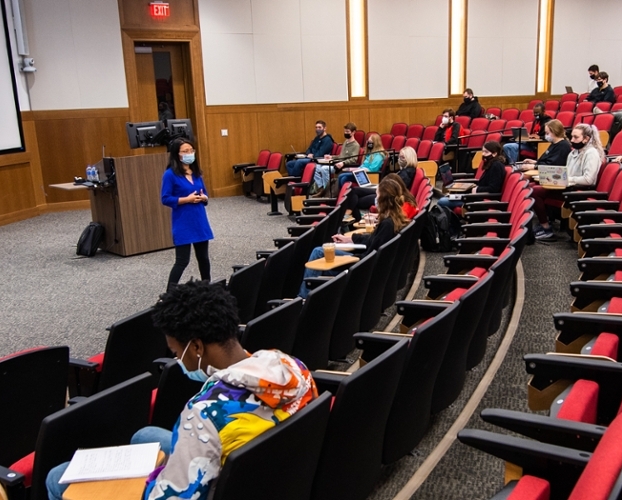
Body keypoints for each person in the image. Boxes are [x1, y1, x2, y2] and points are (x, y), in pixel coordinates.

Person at [44, 281, 318, 500]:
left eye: (176, 351)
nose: (178, 360)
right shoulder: (291, 366)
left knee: (57, 478)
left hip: (223, 481)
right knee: (144, 435)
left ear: (197, 347)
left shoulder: (203, 415)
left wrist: (147, 483)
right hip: (271, 474)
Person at [300, 175, 410, 298]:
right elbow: (373, 241)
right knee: (319, 257)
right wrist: (351, 239)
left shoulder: (387, 225)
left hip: (361, 270)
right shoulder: (394, 220)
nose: (375, 199)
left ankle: (303, 299)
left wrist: (347, 258)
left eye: (377, 195)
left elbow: (369, 257)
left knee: (318, 252)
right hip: (366, 265)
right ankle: (309, 297)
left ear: (383, 199)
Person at [532, 124, 603, 240]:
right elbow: (566, 173)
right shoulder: (573, 152)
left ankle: (546, 228)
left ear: (586, 139)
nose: (572, 140)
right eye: (572, 137)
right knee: (534, 187)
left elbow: (588, 180)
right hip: (566, 187)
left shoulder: (591, 153)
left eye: (576, 137)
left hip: (578, 191)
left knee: (535, 191)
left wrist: (568, 179)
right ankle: (544, 224)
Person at [161, 139, 213, 289]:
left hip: (199, 220)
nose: (189, 154)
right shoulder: (170, 175)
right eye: (185, 151)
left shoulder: (196, 173)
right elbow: (165, 198)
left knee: (203, 258)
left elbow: (205, 194)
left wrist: (204, 198)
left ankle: (207, 288)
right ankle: (169, 294)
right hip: (183, 221)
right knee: (182, 261)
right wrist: (187, 199)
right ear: (177, 154)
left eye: (191, 150)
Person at [345, 146, 417, 221]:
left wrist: (380, 189)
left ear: (409, 158)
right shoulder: (406, 170)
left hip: (387, 196)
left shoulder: (406, 174)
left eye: (402, 157)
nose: (399, 159)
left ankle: (350, 216)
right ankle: (350, 215)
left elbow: (396, 190)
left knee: (357, 199)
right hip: (385, 191)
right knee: (354, 192)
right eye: (399, 157)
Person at [437, 141, 507, 212]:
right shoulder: (492, 163)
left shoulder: (496, 166)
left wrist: (477, 189)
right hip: (476, 196)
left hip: (482, 200)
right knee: (448, 197)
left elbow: (493, 189)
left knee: (442, 201)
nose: (483, 154)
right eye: (482, 151)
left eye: (486, 152)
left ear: (495, 153)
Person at [336, 133, 387, 212]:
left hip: (368, 176)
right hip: (360, 173)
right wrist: (351, 169)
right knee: (341, 176)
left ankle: (343, 202)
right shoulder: (370, 154)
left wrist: (354, 170)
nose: (368, 143)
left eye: (370, 142)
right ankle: (340, 200)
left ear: (375, 143)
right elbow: (362, 166)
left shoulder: (379, 155)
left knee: (344, 178)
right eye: (368, 141)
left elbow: (372, 170)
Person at [312, 123, 360, 196]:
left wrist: (343, 163)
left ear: (353, 132)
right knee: (315, 167)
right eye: (345, 131)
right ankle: (321, 188)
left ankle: (328, 191)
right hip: (338, 163)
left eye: (348, 132)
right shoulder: (345, 142)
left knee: (324, 169)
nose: (346, 133)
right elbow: (341, 156)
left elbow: (353, 159)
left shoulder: (356, 145)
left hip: (344, 166)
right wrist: (331, 157)